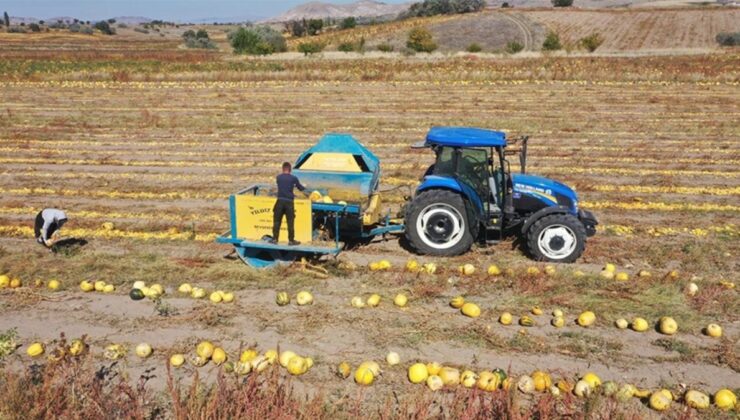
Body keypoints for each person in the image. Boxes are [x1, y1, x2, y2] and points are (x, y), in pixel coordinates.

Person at [270, 162, 306, 245]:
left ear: (283, 169)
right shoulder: (293, 178)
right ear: (290, 169)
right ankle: (291, 240)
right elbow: (300, 188)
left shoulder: (278, 177)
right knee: (290, 222)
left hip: (279, 201)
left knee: (276, 221)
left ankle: (275, 239)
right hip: (289, 202)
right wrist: (306, 187)